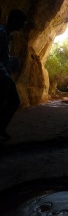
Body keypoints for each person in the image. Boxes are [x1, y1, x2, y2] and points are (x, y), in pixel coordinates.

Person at [0, 9, 27, 139]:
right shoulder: (2, 32)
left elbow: (4, 56)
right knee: (13, 101)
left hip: (4, 73)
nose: (23, 25)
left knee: (11, 101)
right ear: (15, 21)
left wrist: (12, 62)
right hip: (2, 75)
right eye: (22, 22)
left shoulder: (7, 33)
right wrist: (5, 74)